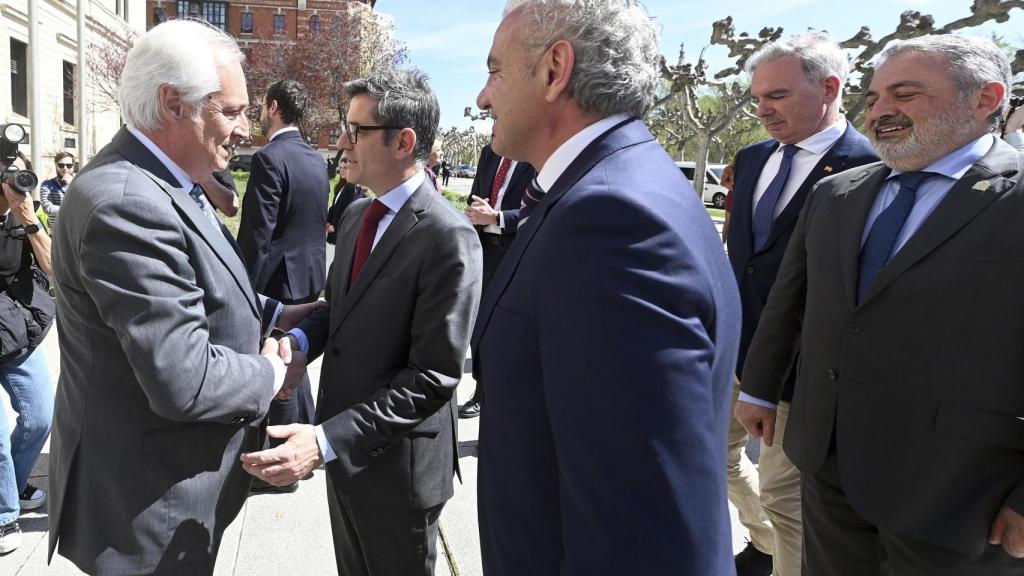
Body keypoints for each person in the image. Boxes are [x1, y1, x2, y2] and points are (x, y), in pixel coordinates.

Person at [470, 1, 741, 573]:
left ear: (554, 70)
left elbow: (645, 530)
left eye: (495, 70)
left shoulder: (609, 218)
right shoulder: (614, 185)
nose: (482, 98)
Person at [738, 34, 1024, 575]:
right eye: (873, 98)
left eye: (906, 94)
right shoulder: (837, 194)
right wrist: (758, 387)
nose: (881, 112)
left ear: (986, 99)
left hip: (959, 493)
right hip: (827, 467)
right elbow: (791, 302)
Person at [48, 20, 318, 574]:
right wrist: (268, 374)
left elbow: (202, 288)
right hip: (145, 513)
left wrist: (280, 314)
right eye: (233, 111)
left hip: (167, 491)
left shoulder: (174, 184)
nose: (247, 129)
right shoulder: (128, 203)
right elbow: (184, 377)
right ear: (174, 104)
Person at [239, 68, 482, 576]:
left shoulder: (447, 237)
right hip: (346, 462)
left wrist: (324, 442)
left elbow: (432, 377)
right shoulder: (354, 216)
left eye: (356, 130)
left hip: (397, 474)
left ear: (404, 141)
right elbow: (338, 307)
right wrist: (300, 341)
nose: (341, 142)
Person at [726, 32, 878, 576]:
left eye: (778, 96)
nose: (762, 109)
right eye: (757, 98)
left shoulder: (874, 168)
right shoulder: (751, 158)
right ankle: (762, 543)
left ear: (831, 88)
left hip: (802, 373)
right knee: (715, 465)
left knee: (786, 500)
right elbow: (742, 259)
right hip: (734, 356)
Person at [236, 79, 329, 493]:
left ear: (273, 107)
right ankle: (306, 443)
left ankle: (282, 468)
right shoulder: (314, 157)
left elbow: (257, 234)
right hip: (310, 274)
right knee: (297, 360)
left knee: (281, 365)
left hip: (278, 281)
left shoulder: (270, 157)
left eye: (260, 106)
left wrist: (241, 287)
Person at [0, 152, 54, 554]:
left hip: (14, 329)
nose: (15, 181)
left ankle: (13, 484)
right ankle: (3, 516)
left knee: (40, 415)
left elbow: (54, 267)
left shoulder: (26, 210)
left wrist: (28, 217)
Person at [457, 143, 535, 419]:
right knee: (479, 327)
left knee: (506, 330)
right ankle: (481, 393)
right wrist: (475, 210)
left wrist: (497, 217)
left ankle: (499, 398)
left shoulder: (533, 153)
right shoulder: (490, 153)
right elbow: (475, 195)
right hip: (482, 249)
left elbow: (538, 208)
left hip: (513, 252)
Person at [325, 160, 365, 245]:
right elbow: (334, 206)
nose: (342, 170)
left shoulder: (352, 188)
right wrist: (328, 221)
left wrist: (335, 226)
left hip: (341, 232)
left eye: (345, 168)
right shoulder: (341, 186)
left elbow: (348, 211)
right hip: (333, 229)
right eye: (341, 167)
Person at [39, 152, 74, 235]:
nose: (65, 168)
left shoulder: (80, 183)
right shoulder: (47, 184)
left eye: (69, 165)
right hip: (56, 233)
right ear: (56, 165)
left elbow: (84, 204)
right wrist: (72, 210)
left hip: (76, 233)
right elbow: (48, 208)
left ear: (73, 166)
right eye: (61, 165)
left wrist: (71, 185)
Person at [721, 162, 735, 243]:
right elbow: (722, 182)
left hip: (742, 197)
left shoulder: (747, 168)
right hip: (732, 196)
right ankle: (723, 243)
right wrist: (732, 188)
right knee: (728, 222)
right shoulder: (730, 168)